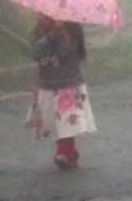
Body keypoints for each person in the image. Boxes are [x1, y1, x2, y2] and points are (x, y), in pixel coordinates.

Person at [26, 13, 96, 169]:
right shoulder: (40, 31)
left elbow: (69, 51)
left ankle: (62, 152)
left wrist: (61, 33)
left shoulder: (72, 29)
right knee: (53, 122)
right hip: (47, 84)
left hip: (68, 84)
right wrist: (50, 37)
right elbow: (35, 53)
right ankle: (70, 152)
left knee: (67, 120)